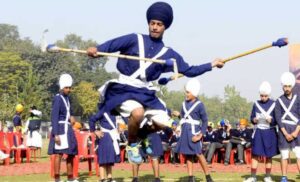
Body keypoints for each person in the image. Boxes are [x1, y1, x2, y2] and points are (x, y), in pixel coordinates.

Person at [87, 1, 224, 164]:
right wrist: (97, 50)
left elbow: (189, 70)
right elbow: (111, 46)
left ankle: (142, 135)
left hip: (144, 92)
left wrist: (212, 65)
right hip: (123, 89)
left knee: (164, 121)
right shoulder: (134, 39)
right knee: (137, 113)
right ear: (148, 23)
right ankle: (132, 145)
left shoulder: (169, 54)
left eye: (159, 24)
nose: (155, 27)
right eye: (152, 23)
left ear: (165, 27)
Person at [176, 79, 213, 182]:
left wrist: (201, 134)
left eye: (188, 92)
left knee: (198, 154)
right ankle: (190, 177)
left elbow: (205, 121)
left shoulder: (200, 105)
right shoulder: (183, 104)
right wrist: (179, 115)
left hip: (194, 132)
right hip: (185, 131)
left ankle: (208, 176)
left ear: (194, 93)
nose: (186, 94)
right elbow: (184, 118)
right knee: (188, 155)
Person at [244, 81, 278, 182]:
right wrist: (254, 120)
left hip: (269, 132)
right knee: (255, 154)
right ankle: (253, 176)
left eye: (265, 96)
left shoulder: (274, 104)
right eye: (261, 95)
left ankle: (267, 176)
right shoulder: (256, 104)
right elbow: (251, 117)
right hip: (258, 131)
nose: (263, 97)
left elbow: (277, 120)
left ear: (269, 95)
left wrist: (271, 120)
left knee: (268, 155)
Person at [48, 74, 78, 182]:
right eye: (66, 88)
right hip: (60, 128)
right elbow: (54, 116)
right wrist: (55, 134)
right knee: (59, 154)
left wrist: (72, 116)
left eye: (69, 88)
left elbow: (69, 112)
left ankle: (70, 178)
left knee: (70, 153)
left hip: (68, 128)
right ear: (61, 87)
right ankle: (57, 178)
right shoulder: (57, 98)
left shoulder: (68, 99)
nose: (68, 90)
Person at [274, 72, 300, 182]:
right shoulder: (278, 101)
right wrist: (285, 133)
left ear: (292, 86)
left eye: (289, 86)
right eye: (285, 86)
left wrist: (295, 132)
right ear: (282, 86)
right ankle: (284, 177)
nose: (287, 88)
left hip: (296, 130)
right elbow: (278, 119)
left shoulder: (298, 99)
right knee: (284, 155)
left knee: (299, 155)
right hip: (283, 131)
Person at [89, 110, 120, 182]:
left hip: (113, 136)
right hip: (104, 136)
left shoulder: (114, 111)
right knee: (103, 158)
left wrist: (119, 128)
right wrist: (95, 131)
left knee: (110, 157)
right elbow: (92, 119)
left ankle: (110, 178)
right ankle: (102, 178)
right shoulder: (102, 111)